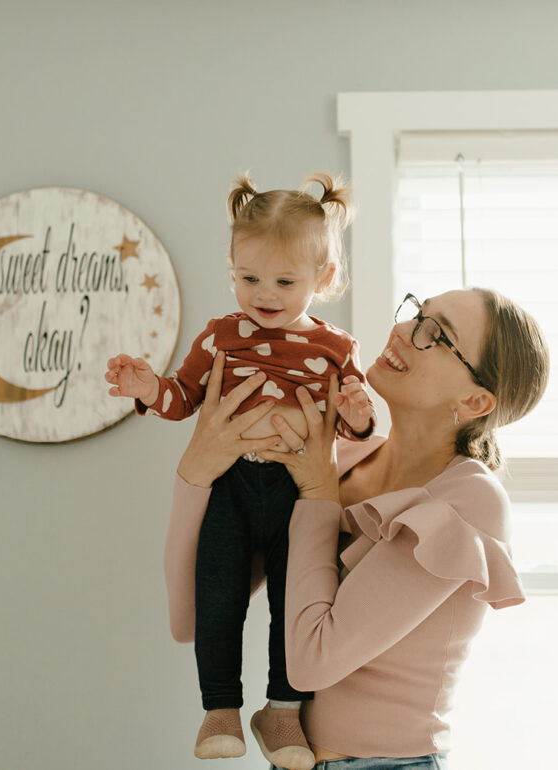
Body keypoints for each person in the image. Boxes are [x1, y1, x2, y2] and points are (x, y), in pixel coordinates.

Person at [165, 286, 550, 769]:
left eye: (436, 333)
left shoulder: (469, 500)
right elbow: (191, 621)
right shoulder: (338, 458)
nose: (405, 330)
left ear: (475, 401)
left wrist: (319, 493)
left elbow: (311, 660)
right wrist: (195, 474)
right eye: (417, 312)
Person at [104, 173, 376, 770]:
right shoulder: (220, 335)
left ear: (323, 281)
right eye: (249, 278)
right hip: (229, 489)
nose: (265, 293)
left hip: (297, 498)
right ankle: (220, 707)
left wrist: (358, 415)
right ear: (231, 268)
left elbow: (355, 424)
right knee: (219, 596)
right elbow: (181, 399)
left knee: (295, 601)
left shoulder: (335, 349)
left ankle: (281, 709)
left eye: (285, 281)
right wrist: (149, 386)